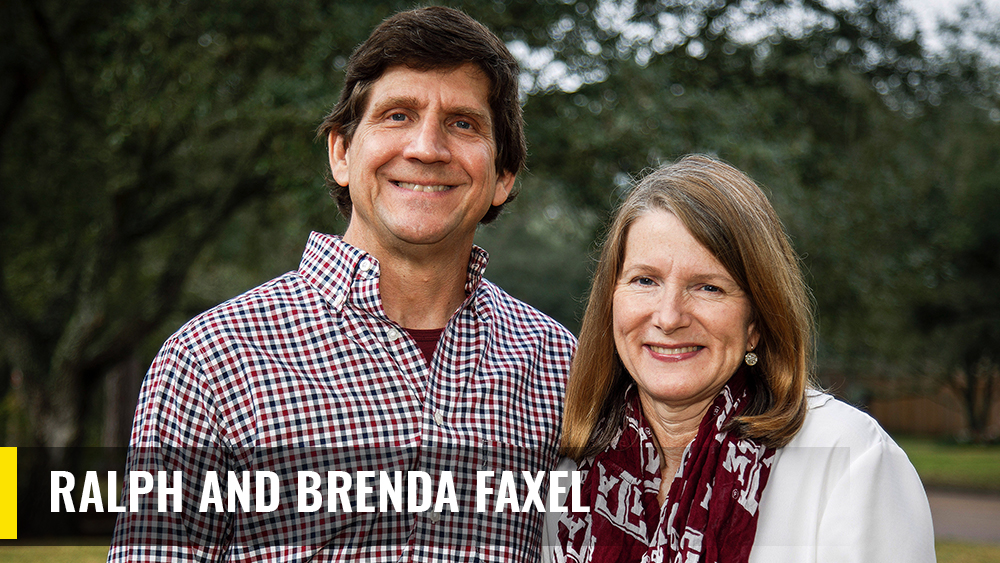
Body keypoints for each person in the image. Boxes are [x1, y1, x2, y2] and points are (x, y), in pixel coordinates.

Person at [108, 6, 576, 562]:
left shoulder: (557, 365)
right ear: (341, 153)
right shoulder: (210, 362)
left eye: (463, 123)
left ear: (503, 176)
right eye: (398, 115)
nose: (427, 148)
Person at [553, 155, 934, 562]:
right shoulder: (572, 469)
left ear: (756, 320)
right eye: (645, 280)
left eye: (709, 288)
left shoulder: (848, 459)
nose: (668, 317)